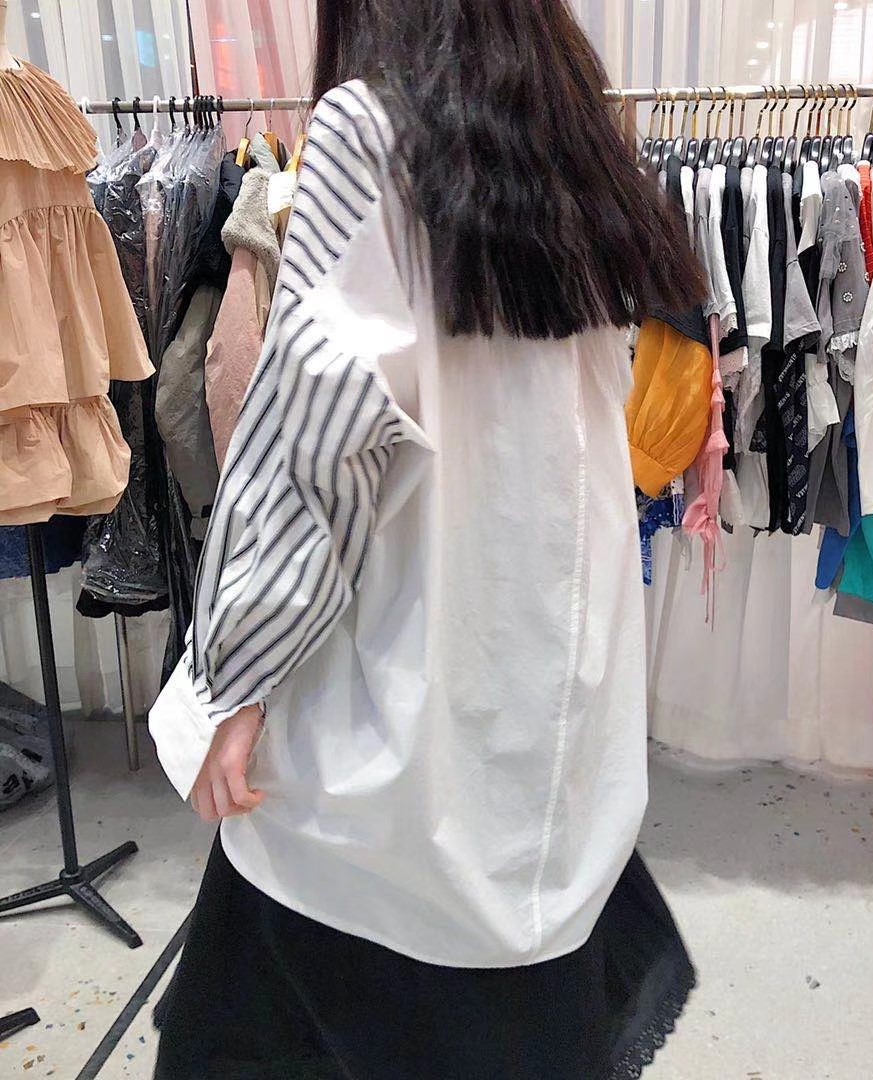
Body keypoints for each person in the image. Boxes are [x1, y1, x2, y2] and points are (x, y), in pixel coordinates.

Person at [149, 1, 704, 1076]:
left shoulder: (372, 133)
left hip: (402, 689)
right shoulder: (569, 133)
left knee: (298, 997)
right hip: (546, 689)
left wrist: (235, 682)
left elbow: (314, 445)